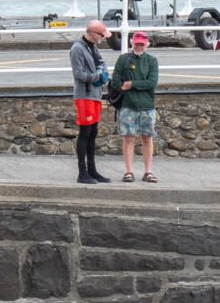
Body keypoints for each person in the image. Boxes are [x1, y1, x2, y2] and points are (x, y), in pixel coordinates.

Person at [69, 19, 112, 184]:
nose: (103, 38)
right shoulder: (77, 49)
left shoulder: (93, 46)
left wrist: (103, 74)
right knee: (85, 133)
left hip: (94, 94)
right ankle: (82, 173)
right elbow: (78, 74)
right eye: (102, 35)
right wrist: (98, 77)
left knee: (93, 133)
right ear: (94, 34)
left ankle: (92, 170)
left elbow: (102, 63)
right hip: (84, 95)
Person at [114, 30, 160, 184]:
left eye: (142, 43)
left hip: (147, 106)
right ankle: (129, 172)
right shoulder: (123, 59)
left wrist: (131, 84)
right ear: (132, 43)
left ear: (147, 44)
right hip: (128, 106)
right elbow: (115, 83)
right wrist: (129, 87)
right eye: (137, 43)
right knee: (128, 139)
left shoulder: (152, 61)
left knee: (148, 138)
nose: (139, 46)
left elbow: (152, 83)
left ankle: (148, 172)